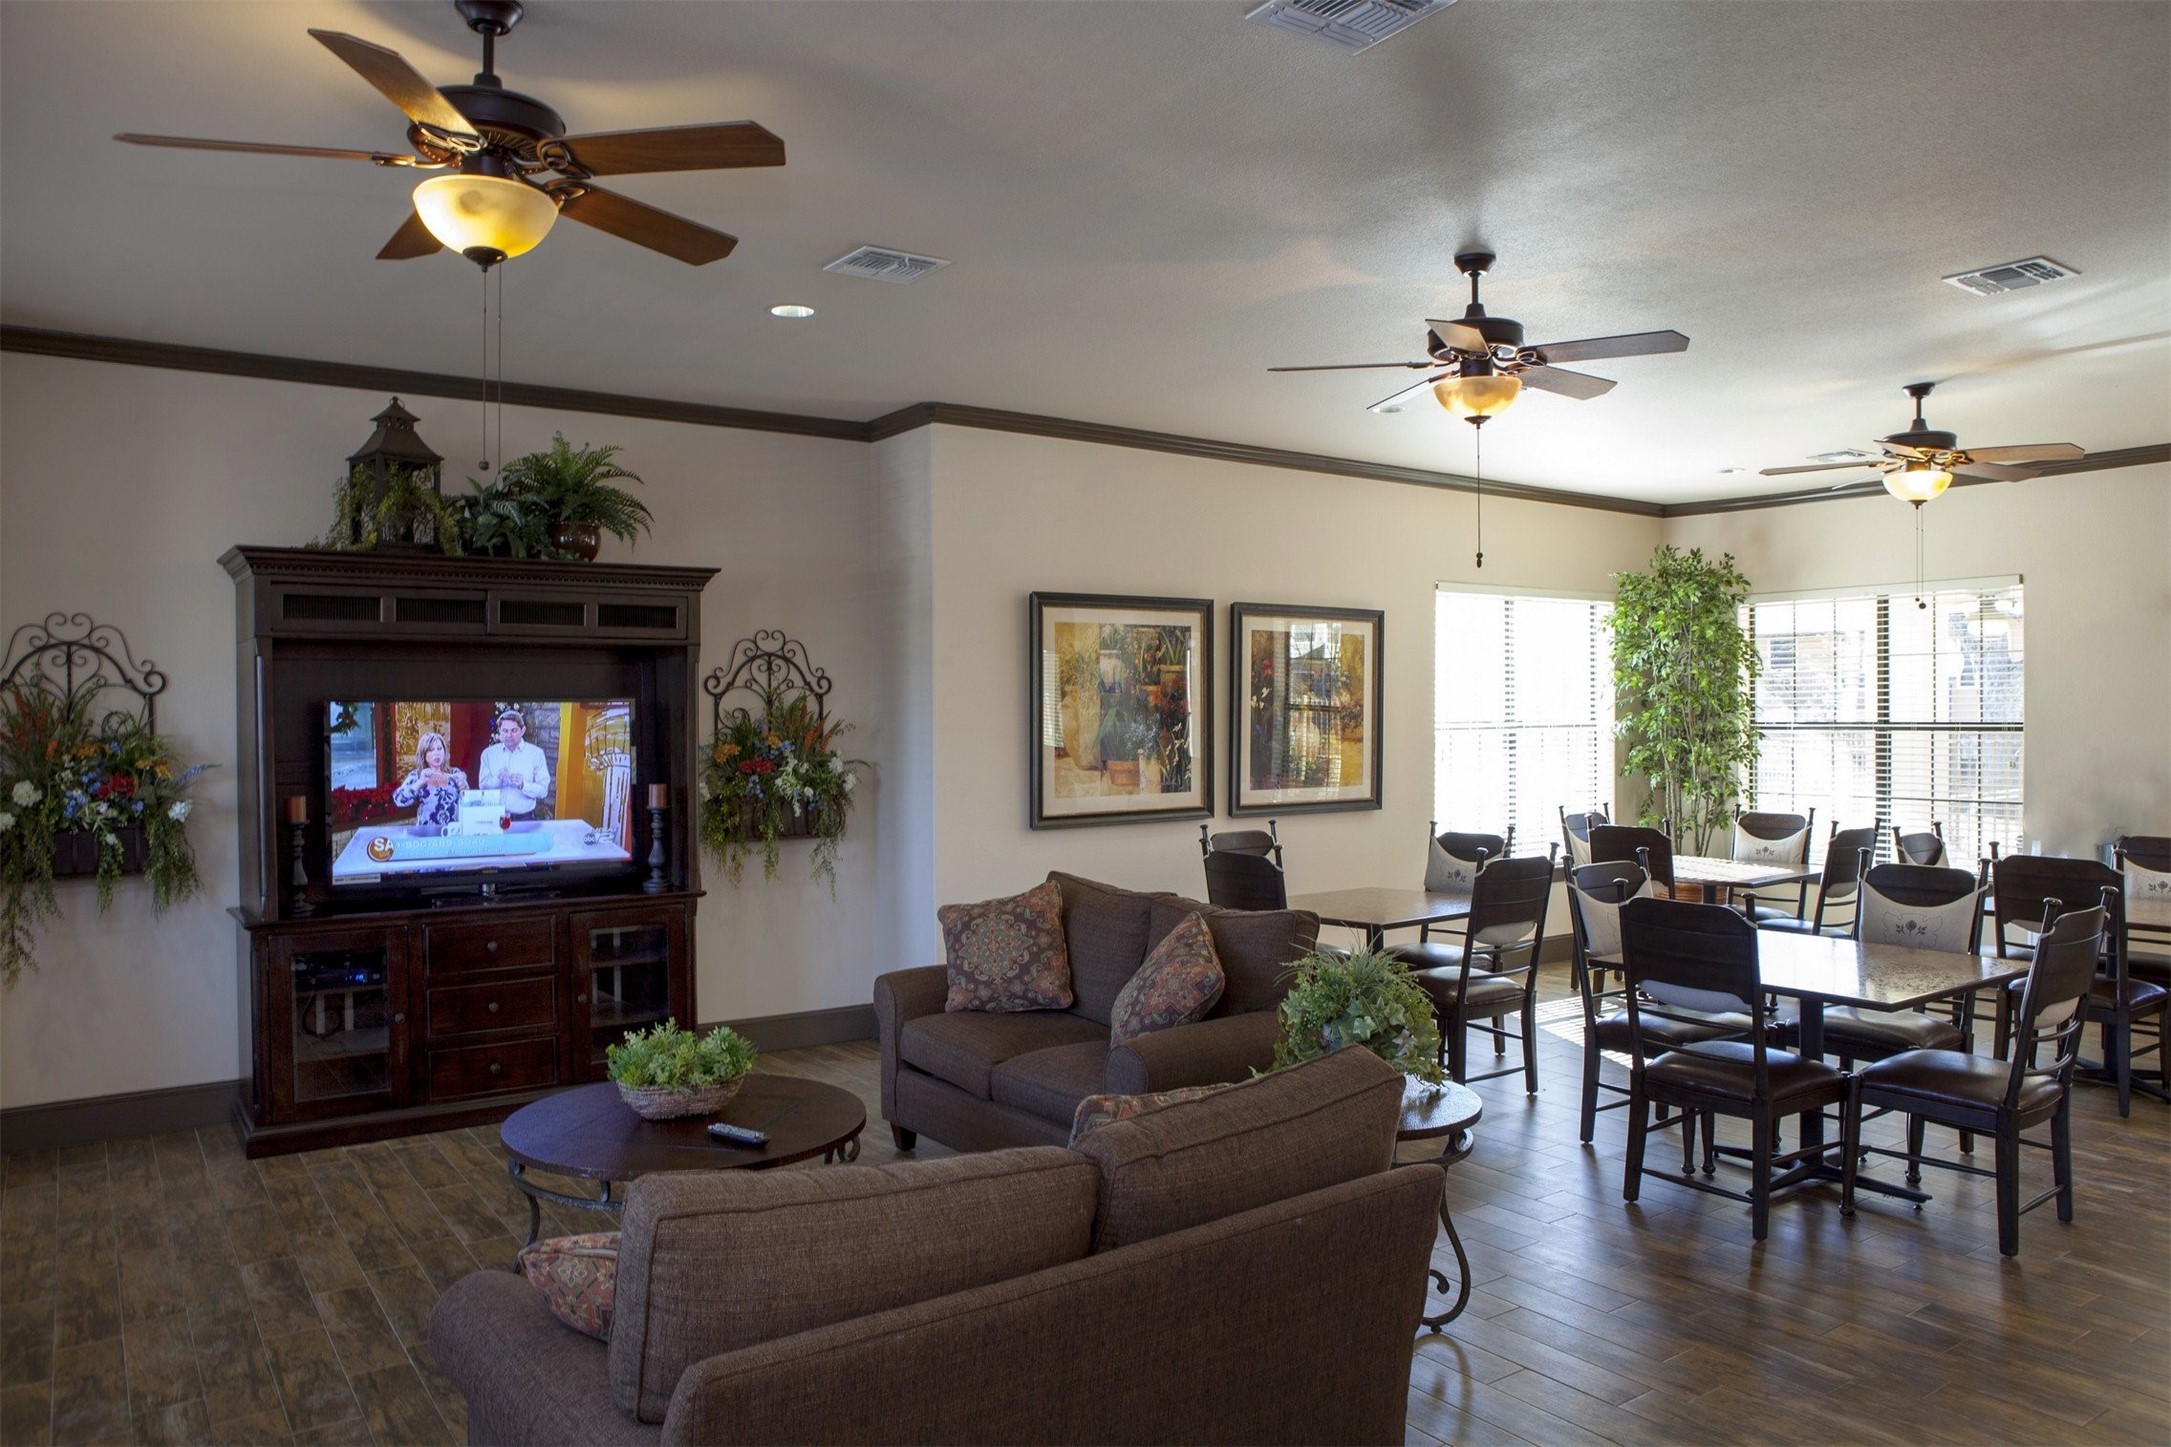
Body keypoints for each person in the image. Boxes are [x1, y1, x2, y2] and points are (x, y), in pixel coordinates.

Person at [477, 709, 552, 818]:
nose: (509, 735)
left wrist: (523, 785)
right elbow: (482, 786)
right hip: (494, 817)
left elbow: (543, 791)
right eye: (505, 731)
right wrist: (497, 780)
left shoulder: (536, 754)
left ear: (522, 730)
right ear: (500, 731)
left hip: (524, 818)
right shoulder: (488, 754)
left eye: (514, 730)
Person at [391, 732, 468, 829]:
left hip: (453, 833)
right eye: (431, 750)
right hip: (426, 835)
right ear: (424, 754)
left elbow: (469, 802)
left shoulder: (454, 773)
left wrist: (464, 787)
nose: (437, 753)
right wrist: (420, 783)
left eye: (439, 749)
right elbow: (399, 799)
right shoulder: (417, 775)